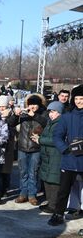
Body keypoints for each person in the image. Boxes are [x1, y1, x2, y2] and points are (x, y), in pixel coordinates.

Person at [49, 85, 83, 225]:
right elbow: (57, 136)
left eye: (82, 98)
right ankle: (58, 214)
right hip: (69, 159)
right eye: (76, 98)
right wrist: (65, 149)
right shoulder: (67, 117)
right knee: (63, 190)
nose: (79, 101)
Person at [12, 94, 48, 205]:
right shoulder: (23, 114)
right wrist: (15, 115)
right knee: (23, 172)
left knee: (33, 172)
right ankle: (23, 194)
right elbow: (10, 123)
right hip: (22, 147)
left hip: (36, 149)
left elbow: (46, 123)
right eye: (31, 104)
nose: (32, 107)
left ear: (39, 105)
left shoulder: (44, 113)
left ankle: (32, 195)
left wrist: (34, 116)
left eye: (35, 105)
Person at [33, 101, 63, 214]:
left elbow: (56, 140)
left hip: (55, 156)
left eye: (54, 111)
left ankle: (54, 205)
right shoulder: (51, 122)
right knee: (47, 179)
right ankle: (50, 203)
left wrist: (39, 140)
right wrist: (39, 136)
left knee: (54, 181)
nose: (51, 114)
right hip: (47, 156)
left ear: (59, 112)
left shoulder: (60, 124)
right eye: (50, 111)